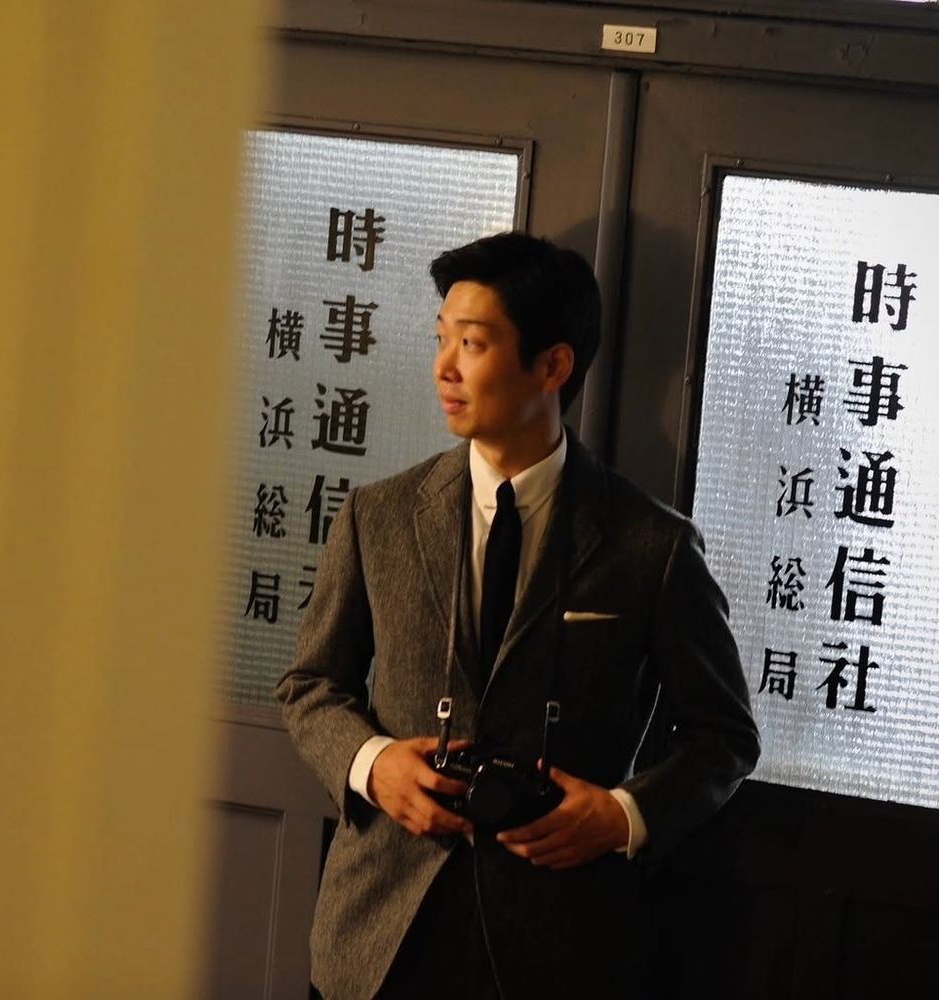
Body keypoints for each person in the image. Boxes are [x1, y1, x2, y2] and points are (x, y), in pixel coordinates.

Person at [275, 232, 760, 999]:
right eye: (441, 339)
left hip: (562, 942)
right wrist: (373, 766)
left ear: (553, 365)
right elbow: (309, 685)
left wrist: (624, 813)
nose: (443, 367)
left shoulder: (650, 544)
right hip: (379, 936)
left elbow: (724, 736)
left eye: (471, 343)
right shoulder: (380, 515)